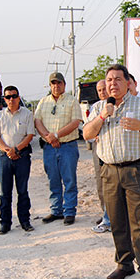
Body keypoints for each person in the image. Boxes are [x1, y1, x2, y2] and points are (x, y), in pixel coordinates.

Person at [84, 64, 140, 279]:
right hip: (109, 170)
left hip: (137, 168)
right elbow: (87, 134)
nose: (113, 83)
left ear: (128, 82)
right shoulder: (100, 106)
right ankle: (124, 264)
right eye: (109, 80)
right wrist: (101, 117)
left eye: (118, 79)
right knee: (117, 221)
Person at [34, 71, 82, 225]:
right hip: (49, 147)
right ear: (50, 85)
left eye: (59, 83)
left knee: (69, 180)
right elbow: (37, 121)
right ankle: (56, 210)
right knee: (53, 179)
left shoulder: (72, 101)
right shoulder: (43, 102)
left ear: (64, 85)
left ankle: (69, 211)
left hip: (67, 146)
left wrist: (56, 135)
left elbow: (75, 122)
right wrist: (48, 136)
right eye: (53, 83)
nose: (56, 86)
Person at [0, 86, 35, 234]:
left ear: (18, 97)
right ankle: (5, 223)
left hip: (22, 157)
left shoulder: (27, 114)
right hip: (4, 158)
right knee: (5, 192)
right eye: (8, 97)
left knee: (22, 191)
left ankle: (25, 221)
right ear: (4, 99)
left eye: (14, 96)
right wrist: (7, 150)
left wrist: (16, 150)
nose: (11, 100)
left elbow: (29, 136)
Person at [91, 79, 111, 233]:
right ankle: (106, 213)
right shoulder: (96, 107)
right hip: (99, 149)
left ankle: (112, 216)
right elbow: (89, 130)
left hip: (114, 151)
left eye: (104, 88)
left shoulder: (118, 105)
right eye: (99, 90)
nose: (102, 92)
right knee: (101, 183)